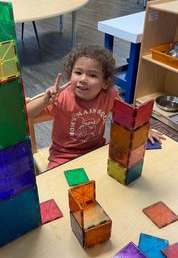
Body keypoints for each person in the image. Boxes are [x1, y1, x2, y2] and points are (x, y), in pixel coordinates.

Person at [27, 45, 165, 170]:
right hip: (63, 156)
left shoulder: (110, 95)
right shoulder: (62, 97)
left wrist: (143, 130)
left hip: (97, 150)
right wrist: (45, 101)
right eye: (78, 72)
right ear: (70, 75)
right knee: (58, 187)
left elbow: (127, 115)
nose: (83, 79)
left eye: (92, 75)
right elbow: (26, 114)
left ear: (105, 83)